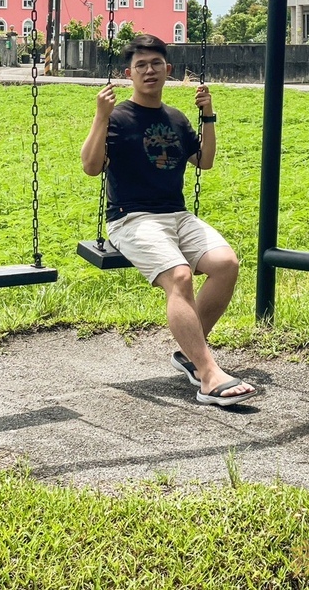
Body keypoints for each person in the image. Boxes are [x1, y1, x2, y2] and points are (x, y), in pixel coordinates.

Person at [81, 33, 256, 407]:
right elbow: (91, 167)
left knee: (226, 264)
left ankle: (191, 353)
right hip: (131, 218)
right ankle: (208, 375)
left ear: (168, 69)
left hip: (176, 214)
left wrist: (208, 115)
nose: (149, 71)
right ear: (128, 73)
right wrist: (100, 116)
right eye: (141, 65)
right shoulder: (118, 117)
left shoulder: (175, 118)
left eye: (156, 64)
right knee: (180, 276)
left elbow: (204, 161)